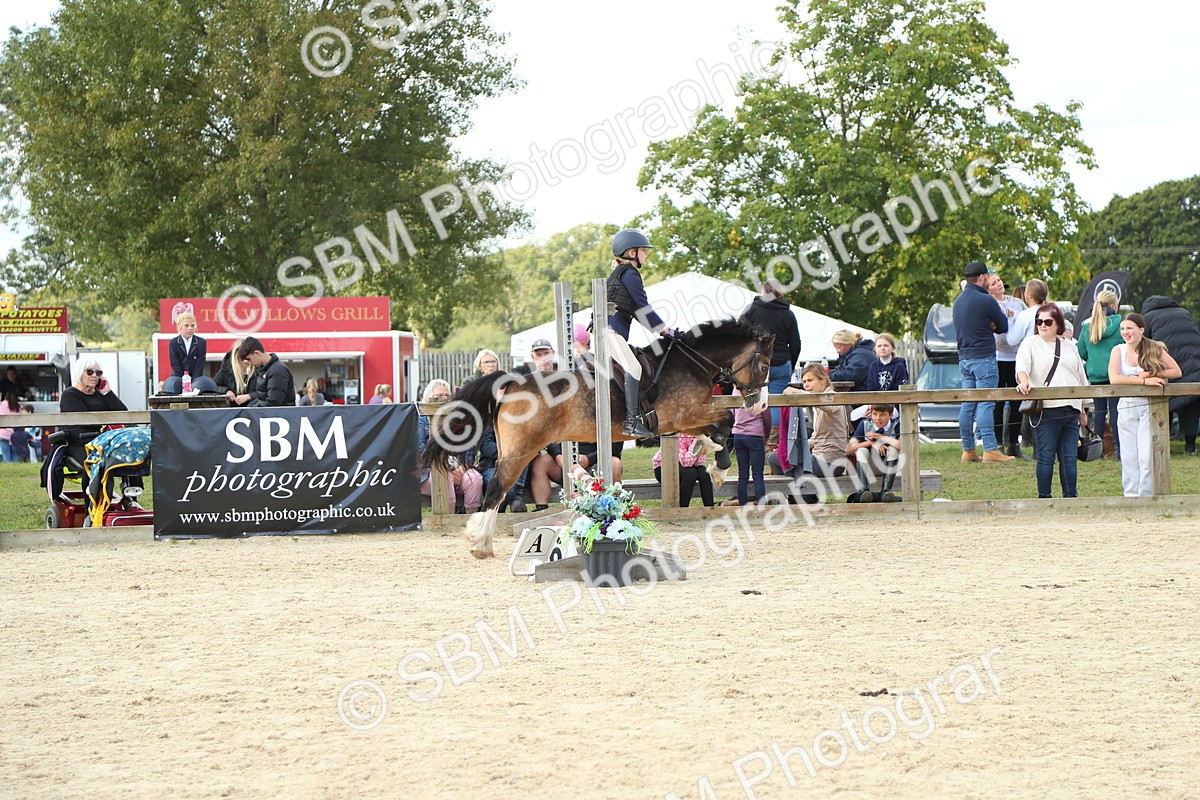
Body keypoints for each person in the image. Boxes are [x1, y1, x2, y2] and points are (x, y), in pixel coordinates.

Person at [1016, 304, 1090, 499]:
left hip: (1071, 408)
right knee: (1046, 457)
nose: (1042, 325)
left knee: (1069, 459)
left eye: (1047, 321)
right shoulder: (1030, 343)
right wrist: (1024, 381)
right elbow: (1021, 367)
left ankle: (1070, 498)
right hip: (1047, 410)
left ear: (1058, 324)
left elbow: (1080, 377)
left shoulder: (1069, 345)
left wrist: (1083, 409)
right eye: (1039, 321)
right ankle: (1044, 499)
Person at [1108, 313, 1182, 496]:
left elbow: (1176, 371)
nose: (1125, 332)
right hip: (1125, 405)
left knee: (1146, 456)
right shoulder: (1118, 350)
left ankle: (1146, 495)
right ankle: (1131, 495)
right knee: (1129, 455)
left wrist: (1147, 374)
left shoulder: (1153, 348)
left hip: (1149, 407)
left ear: (1141, 330)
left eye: (1130, 328)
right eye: (1123, 328)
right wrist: (1143, 382)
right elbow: (1114, 378)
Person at [605, 228, 669, 437]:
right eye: (644, 250)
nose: (646, 254)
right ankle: (631, 422)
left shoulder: (620, 273)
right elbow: (642, 307)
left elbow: (636, 310)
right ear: (632, 253)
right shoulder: (630, 274)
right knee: (634, 368)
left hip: (608, 331)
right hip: (609, 332)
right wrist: (663, 329)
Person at [953, 261, 1015, 463]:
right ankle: (990, 449)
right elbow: (1003, 326)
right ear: (981, 278)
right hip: (984, 357)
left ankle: (968, 450)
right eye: (987, 276)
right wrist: (991, 325)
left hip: (964, 358)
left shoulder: (958, 302)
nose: (989, 279)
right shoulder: (986, 300)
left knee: (967, 404)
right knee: (986, 402)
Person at [58, 358, 143, 503]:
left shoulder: (101, 395)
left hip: (104, 441)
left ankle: (131, 498)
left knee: (131, 454)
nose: (94, 376)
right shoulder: (70, 395)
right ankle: (90, 507)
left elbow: (123, 413)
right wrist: (103, 429)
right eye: (90, 371)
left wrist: (107, 392)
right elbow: (81, 424)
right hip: (80, 443)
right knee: (94, 461)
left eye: (98, 373)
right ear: (80, 372)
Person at [740, 278, 802, 434]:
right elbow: (795, 344)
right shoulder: (788, 314)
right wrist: (791, 365)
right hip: (781, 363)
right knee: (775, 403)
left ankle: (751, 435)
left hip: (755, 363)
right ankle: (774, 441)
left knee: (752, 399)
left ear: (763, 291)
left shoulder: (751, 310)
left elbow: (739, 336)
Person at [1141, 296, 1200, 455]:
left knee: (1165, 401)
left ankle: (1163, 443)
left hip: (1169, 366)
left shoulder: (1148, 317)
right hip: (1195, 363)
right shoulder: (1184, 312)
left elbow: (1143, 344)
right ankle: (1190, 446)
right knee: (1192, 402)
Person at [417, 380, 483, 514]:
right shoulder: (421, 421)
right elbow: (420, 450)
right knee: (444, 476)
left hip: (460, 468)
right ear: (429, 398)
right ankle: (448, 523)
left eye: (447, 395)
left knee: (474, 478)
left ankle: (471, 521)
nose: (445, 398)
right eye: (439, 395)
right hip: (430, 472)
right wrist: (443, 466)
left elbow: (469, 448)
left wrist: (462, 467)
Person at [1076, 290, 1123, 459]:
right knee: (1116, 411)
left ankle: (1099, 450)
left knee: (1099, 412)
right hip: (1115, 375)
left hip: (1095, 375)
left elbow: (1080, 351)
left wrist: (1093, 360)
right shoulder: (1120, 324)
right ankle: (1118, 450)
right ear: (1112, 306)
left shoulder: (1088, 326)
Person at [989, 274, 1029, 459]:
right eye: (993, 283)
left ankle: (1014, 442)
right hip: (998, 356)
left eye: (998, 281)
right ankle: (998, 442)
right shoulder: (988, 304)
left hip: (1016, 357)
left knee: (1016, 401)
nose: (998, 285)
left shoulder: (1017, 303)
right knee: (997, 402)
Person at [845, 403, 902, 502]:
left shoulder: (896, 425)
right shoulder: (865, 424)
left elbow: (901, 445)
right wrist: (870, 443)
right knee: (861, 451)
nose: (878, 418)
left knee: (893, 450)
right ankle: (864, 491)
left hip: (887, 467)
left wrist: (879, 437)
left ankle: (886, 491)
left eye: (882, 415)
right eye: (875, 414)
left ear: (891, 415)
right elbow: (848, 449)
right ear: (870, 414)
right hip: (868, 468)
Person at [726, 389, 771, 507]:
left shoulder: (735, 391)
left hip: (738, 435)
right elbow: (767, 418)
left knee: (742, 474)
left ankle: (742, 503)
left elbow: (731, 413)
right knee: (757, 474)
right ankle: (761, 505)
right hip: (755, 435)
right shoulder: (759, 392)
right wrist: (766, 434)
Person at [1005, 279, 1073, 351]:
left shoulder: (1025, 315)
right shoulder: (1054, 312)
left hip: (1032, 356)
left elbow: (1011, 341)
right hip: (1052, 355)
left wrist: (1009, 320)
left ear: (1029, 295)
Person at [653, 434, 715, 507]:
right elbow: (686, 463)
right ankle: (682, 508)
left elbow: (699, 463)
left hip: (683, 465)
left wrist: (701, 445)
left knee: (704, 472)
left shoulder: (699, 435)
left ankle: (710, 508)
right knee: (691, 473)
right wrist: (695, 444)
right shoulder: (680, 434)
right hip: (663, 468)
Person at [236, 337, 295, 407]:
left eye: (249, 359)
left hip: (276, 415)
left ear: (257, 353)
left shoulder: (277, 371)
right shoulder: (265, 369)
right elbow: (262, 398)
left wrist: (251, 409)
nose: (249, 363)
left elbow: (273, 402)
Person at [166, 311, 207, 393]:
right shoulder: (173, 343)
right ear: (180, 327)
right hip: (178, 379)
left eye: (192, 325)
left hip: (196, 380)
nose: (190, 328)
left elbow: (200, 364)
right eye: (186, 325)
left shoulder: (201, 342)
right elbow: (175, 364)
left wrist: (194, 383)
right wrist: (183, 383)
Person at [213, 339, 255, 406]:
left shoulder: (258, 368)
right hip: (233, 409)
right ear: (238, 356)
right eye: (246, 359)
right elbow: (214, 385)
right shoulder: (227, 369)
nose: (249, 362)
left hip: (254, 408)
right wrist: (226, 391)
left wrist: (249, 396)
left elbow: (265, 391)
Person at [0, 390, 21, 462]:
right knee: (15, 455)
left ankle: (6, 471)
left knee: (6, 456)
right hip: (14, 434)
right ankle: (15, 470)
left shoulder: (2, 404)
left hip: (3, 433)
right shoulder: (18, 406)